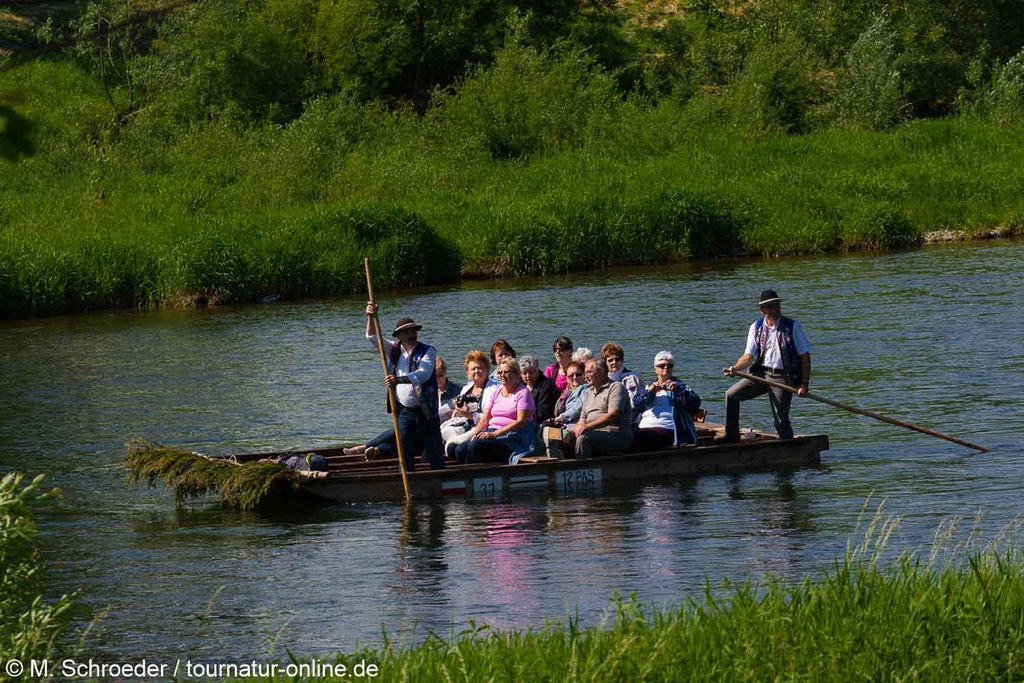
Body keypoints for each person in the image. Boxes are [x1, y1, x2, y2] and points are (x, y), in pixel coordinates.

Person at [720, 289, 812, 442]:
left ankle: (788, 447)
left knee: (780, 418)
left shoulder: (792, 327)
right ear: (762, 310)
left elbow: (805, 357)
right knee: (731, 395)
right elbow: (748, 357)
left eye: (776, 305)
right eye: (770, 307)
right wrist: (735, 368)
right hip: (760, 375)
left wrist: (804, 384)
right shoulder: (756, 328)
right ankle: (731, 435)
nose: (775, 309)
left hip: (782, 378)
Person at [364, 303, 445, 470]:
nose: (411, 334)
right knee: (405, 451)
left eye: (413, 331)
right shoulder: (393, 349)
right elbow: (372, 336)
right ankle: (409, 479)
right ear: (399, 335)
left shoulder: (428, 351)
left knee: (434, 450)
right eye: (407, 332)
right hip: (405, 411)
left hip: (426, 410)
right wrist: (370, 317)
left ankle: (439, 478)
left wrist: (398, 380)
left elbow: (423, 374)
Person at [344, 356, 460, 461]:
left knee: (401, 431)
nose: (436, 380)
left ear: (445, 373)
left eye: (440, 376)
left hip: (439, 433)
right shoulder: (423, 391)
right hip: (420, 430)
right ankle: (377, 450)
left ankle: (364, 447)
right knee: (403, 433)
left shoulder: (457, 392)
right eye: (432, 377)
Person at [455, 358, 537, 465]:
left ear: (516, 374)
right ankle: (469, 477)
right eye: (500, 372)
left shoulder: (523, 393)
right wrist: (475, 434)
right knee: (459, 450)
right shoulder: (497, 391)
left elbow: (521, 422)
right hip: (491, 433)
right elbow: (485, 418)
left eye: (506, 372)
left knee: (475, 446)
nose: (502, 375)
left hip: (511, 439)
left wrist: (495, 434)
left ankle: (472, 478)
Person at [632, 351, 702, 451]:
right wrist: (649, 392)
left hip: (668, 428)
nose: (666, 368)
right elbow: (636, 403)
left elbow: (695, 402)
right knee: (627, 436)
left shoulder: (680, 385)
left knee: (639, 439)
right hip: (644, 428)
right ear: (655, 369)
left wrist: (677, 390)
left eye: (669, 366)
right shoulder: (649, 386)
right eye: (662, 365)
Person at [563, 358, 633, 459]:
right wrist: (571, 433)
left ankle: (582, 469)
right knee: (562, 438)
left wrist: (587, 427)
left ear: (601, 372)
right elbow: (582, 421)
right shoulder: (588, 393)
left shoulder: (616, 387)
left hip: (615, 434)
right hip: (592, 432)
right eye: (585, 373)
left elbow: (612, 416)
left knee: (584, 438)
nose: (585, 376)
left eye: (589, 372)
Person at [441, 350, 499, 457]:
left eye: (480, 368)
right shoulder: (466, 389)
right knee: (450, 448)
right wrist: (456, 411)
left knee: (460, 450)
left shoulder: (494, 390)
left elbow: (492, 417)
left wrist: (470, 416)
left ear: (487, 370)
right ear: (468, 373)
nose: (476, 371)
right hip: (465, 427)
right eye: (473, 369)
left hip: (485, 429)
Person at [549, 360, 588, 426]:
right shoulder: (567, 391)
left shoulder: (586, 389)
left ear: (584, 375)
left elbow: (577, 408)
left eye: (578, 374)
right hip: (563, 423)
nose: (575, 377)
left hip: (575, 425)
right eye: (571, 375)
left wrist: (559, 418)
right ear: (567, 378)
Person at [520, 355, 557, 423]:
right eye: (524, 373)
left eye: (531, 372)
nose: (528, 376)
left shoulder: (546, 386)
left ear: (537, 371)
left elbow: (543, 413)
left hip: (538, 422)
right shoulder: (519, 384)